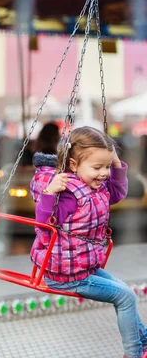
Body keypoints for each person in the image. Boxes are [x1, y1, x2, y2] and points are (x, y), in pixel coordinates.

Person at [30, 126, 146, 358]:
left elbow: (118, 192)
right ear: (73, 165)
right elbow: (43, 226)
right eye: (97, 167)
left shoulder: (95, 187)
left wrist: (114, 163)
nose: (103, 173)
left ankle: (143, 342)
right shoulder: (67, 194)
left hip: (83, 268)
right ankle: (133, 353)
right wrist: (49, 194)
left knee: (125, 291)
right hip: (64, 275)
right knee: (125, 296)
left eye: (105, 167)